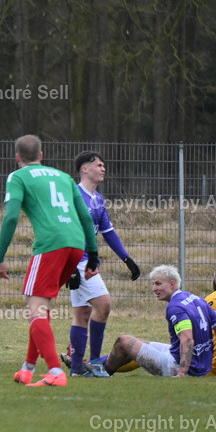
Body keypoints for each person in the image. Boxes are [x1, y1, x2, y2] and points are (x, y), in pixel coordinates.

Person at [0, 134, 99, 387]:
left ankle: (55, 371)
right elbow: (85, 217)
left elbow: (10, 218)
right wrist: (93, 254)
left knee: (35, 310)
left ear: (17, 157)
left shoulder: (17, 176)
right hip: (76, 245)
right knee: (40, 307)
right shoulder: (63, 176)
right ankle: (28, 368)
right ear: (41, 156)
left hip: (51, 245)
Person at [62, 151, 141, 378]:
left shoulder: (98, 199)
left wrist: (127, 258)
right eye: (99, 165)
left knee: (83, 314)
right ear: (84, 169)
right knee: (104, 305)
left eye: (104, 165)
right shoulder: (73, 195)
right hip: (78, 261)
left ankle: (77, 366)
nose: (103, 168)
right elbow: (66, 231)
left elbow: (108, 233)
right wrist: (69, 268)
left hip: (87, 262)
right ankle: (95, 362)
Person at [104, 265, 216, 378]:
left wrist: (181, 373)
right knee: (140, 342)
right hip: (201, 366)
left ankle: (103, 373)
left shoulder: (175, 307)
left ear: (172, 284)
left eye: (158, 284)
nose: (154, 289)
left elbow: (188, 339)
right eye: (153, 284)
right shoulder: (196, 299)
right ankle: (96, 363)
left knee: (123, 341)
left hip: (177, 367)